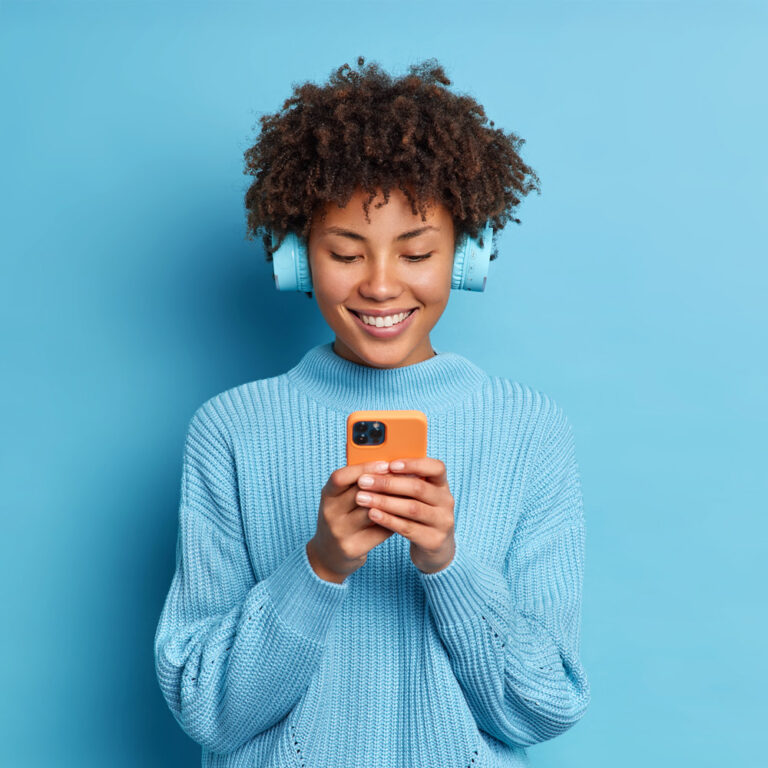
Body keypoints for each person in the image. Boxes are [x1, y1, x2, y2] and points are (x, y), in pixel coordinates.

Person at [154, 56, 590, 767]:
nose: (382, 286)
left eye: (417, 252)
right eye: (346, 253)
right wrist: (319, 566)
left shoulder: (531, 430)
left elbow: (544, 705)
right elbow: (206, 708)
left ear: (467, 258)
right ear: (296, 258)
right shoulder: (230, 430)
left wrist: (446, 566)